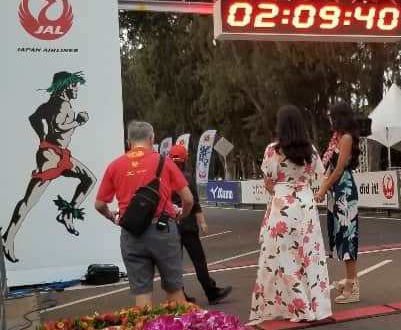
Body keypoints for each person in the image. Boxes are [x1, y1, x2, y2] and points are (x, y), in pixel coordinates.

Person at [95, 120, 193, 308]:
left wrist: (113, 217)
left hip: (132, 233)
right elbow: (188, 199)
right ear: (152, 138)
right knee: (175, 293)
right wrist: (181, 215)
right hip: (163, 229)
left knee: (142, 295)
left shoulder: (115, 166)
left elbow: (100, 204)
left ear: (128, 141)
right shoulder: (164, 162)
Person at [249, 105, 332, 324]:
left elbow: (268, 182)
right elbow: (320, 176)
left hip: (282, 205)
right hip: (306, 205)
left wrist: (281, 191)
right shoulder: (311, 151)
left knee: (284, 258)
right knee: (309, 256)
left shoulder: (273, 150)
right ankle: (316, 305)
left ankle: (297, 306)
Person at [2, 70, 96, 263]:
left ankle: (67, 214)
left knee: (89, 179)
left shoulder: (51, 103)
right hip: (51, 157)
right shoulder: (62, 104)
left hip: (58, 154)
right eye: (74, 85)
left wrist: (42, 137)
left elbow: (33, 118)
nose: (77, 89)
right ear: (66, 87)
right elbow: (59, 125)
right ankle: (7, 237)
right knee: (30, 199)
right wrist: (78, 120)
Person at [168, 143, 232, 305]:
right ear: (185, 159)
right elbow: (194, 202)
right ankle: (211, 292)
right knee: (199, 260)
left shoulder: (164, 176)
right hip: (187, 224)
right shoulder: (187, 177)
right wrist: (202, 222)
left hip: (171, 224)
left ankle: (179, 296)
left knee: (174, 263)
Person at [316, 102, 360, 303]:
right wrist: (323, 186)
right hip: (337, 191)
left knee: (347, 236)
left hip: (344, 191)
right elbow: (330, 168)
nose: (329, 120)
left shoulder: (346, 138)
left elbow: (339, 169)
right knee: (340, 235)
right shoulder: (338, 138)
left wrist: (324, 188)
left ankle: (352, 286)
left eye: (331, 116)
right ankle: (351, 279)